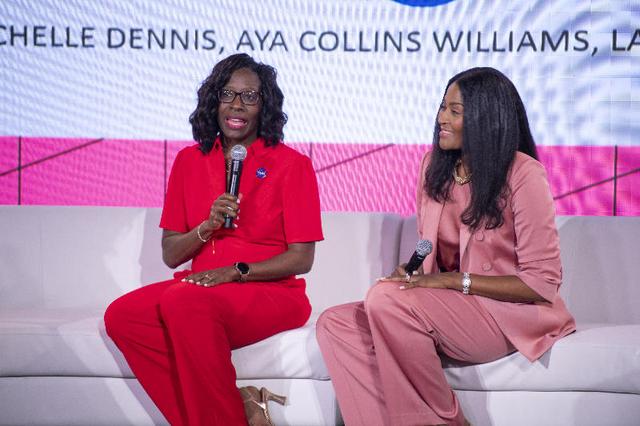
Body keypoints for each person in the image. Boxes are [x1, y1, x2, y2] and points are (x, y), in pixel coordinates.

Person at [316, 67, 575, 426]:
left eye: (455, 111)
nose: (441, 118)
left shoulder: (523, 173)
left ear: (485, 119)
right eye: (442, 107)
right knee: (336, 324)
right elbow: (429, 242)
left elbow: (541, 283)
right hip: (452, 309)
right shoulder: (433, 167)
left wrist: (452, 282)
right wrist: (411, 271)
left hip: (506, 313)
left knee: (385, 301)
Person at [104, 53, 323, 426]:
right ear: (213, 101)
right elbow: (172, 254)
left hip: (270, 290)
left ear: (264, 106)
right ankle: (235, 412)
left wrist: (236, 271)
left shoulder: (292, 165)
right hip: (200, 287)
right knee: (122, 316)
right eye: (228, 94)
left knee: (184, 301)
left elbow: (302, 258)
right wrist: (206, 226)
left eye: (249, 96)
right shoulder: (188, 162)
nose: (237, 105)